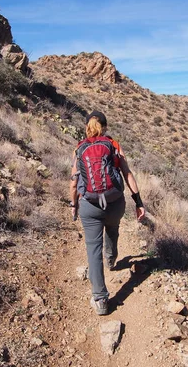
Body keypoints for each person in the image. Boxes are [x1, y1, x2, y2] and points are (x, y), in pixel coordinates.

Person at [69, 111, 145, 315]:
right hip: (114, 202)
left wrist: (74, 205)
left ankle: (101, 299)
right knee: (113, 227)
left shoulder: (79, 148)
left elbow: (74, 182)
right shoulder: (113, 145)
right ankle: (111, 258)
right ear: (105, 127)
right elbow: (127, 174)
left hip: (89, 206)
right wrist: (138, 202)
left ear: (87, 127)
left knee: (93, 251)